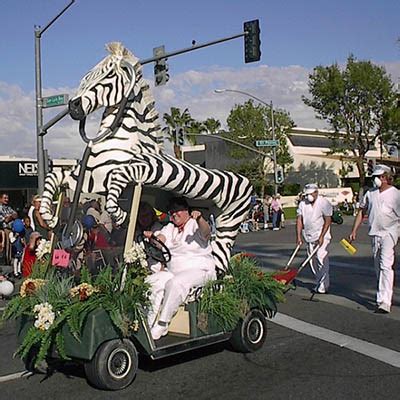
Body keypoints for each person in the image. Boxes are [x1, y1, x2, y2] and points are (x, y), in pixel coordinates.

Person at [144, 197, 216, 340]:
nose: (174, 214)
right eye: (172, 211)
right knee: (152, 281)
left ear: (186, 211)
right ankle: (147, 321)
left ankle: (163, 324)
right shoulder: (170, 227)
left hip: (200, 270)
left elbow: (206, 232)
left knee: (176, 283)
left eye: (178, 210)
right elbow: (161, 240)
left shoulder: (194, 224)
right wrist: (153, 238)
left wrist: (200, 219)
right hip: (174, 271)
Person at [349, 164, 400, 314]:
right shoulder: (370, 194)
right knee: (378, 266)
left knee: (385, 265)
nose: (375, 180)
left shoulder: (395, 194)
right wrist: (354, 230)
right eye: (375, 177)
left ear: (385, 178)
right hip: (375, 233)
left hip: (390, 233)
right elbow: (361, 211)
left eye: (378, 177)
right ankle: (381, 297)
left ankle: (385, 301)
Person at [296, 183, 333, 294]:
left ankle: (324, 285)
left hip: (322, 235)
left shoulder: (323, 202)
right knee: (312, 261)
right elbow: (299, 220)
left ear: (316, 192)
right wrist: (298, 236)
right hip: (308, 236)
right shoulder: (302, 204)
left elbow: (328, 220)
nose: (308, 197)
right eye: (306, 194)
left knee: (321, 257)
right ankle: (319, 281)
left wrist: (322, 236)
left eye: (310, 194)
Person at [0, 193, 18, 265]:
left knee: (10, 247)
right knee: (6, 247)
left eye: (7, 198)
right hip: (5, 230)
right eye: (5, 198)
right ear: (0, 199)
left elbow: (15, 215)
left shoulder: (8, 207)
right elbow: (5, 220)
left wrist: (10, 216)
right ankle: (6, 264)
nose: (6, 200)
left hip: (11, 229)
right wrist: (11, 216)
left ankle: (9, 263)